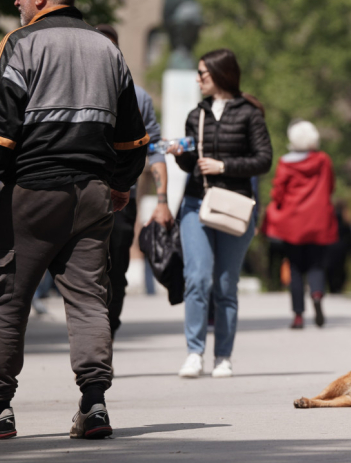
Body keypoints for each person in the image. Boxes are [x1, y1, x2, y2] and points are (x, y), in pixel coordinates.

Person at [0, 0, 149, 440]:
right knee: (88, 300)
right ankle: (94, 406)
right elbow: (132, 137)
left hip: (33, 194)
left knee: (7, 299)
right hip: (93, 196)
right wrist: (120, 185)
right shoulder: (107, 48)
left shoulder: (22, 44)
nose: (15, 1)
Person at [170, 49, 272, 379]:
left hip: (234, 206)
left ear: (221, 74)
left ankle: (223, 356)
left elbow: (263, 160)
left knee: (225, 285)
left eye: (203, 73)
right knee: (197, 279)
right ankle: (194, 352)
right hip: (196, 203)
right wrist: (180, 154)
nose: (198, 79)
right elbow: (190, 164)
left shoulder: (249, 114)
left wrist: (224, 166)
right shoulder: (195, 114)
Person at [94, 24, 173, 339]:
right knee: (82, 271)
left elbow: (155, 148)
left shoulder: (137, 97)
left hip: (119, 197)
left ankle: (106, 334)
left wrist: (163, 201)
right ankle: (90, 341)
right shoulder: (68, 88)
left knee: (116, 271)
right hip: (76, 192)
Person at [263, 120, 337, 329]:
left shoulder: (286, 163)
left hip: (292, 222)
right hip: (318, 220)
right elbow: (330, 185)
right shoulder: (324, 160)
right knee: (316, 264)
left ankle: (297, 315)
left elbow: (278, 191)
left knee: (295, 267)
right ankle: (316, 293)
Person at [326, 200, 351, 294]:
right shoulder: (347, 220)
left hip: (330, 246)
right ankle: (338, 288)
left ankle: (331, 286)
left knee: (330, 268)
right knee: (340, 269)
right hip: (342, 248)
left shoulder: (329, 218)